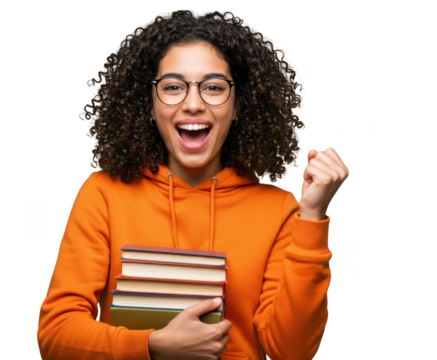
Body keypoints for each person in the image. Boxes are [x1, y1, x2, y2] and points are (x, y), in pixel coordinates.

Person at [36, 9, 350, 360]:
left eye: (214, 87)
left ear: (237, 107)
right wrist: (152, 346)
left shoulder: (279, 210)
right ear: (150, 106)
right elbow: (56, 336)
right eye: (173, 87)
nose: (193, 103)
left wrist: (312, 216)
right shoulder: (103, 194)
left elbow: (291, 352)